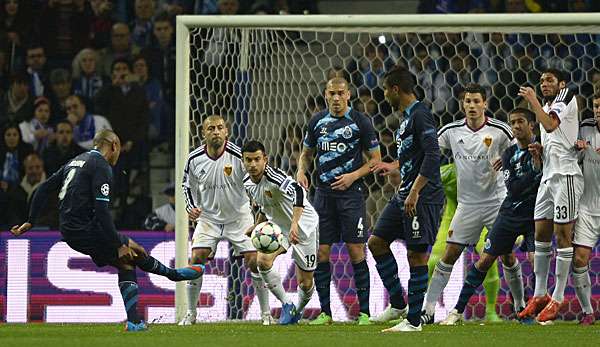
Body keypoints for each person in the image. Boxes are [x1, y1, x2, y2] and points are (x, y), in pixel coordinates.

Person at [10, 129, 203, 331]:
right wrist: (118, 244)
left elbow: (43, 188)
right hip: (85, 228)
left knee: (128, 260)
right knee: (130, 252)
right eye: (118, 150)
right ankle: (172, 276)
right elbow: (102, 212)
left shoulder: (76, 160)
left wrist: (31, 220)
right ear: (114, 146)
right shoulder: (101, 166)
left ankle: (136, 320)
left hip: (70, 228)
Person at [421, 83, 513, 325]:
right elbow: (429, 154)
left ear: (485, 103)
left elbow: (521, 151)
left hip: (496, 203)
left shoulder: (501, 130)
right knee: (449, 254)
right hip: (467, 205)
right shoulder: (451, 131)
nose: (472, 106)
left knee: (506, 256)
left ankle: (522, 308)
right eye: (468, 102)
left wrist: (507, 158)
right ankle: (428, 309)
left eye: (476, 101)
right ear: (463, 104)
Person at [440, 108, 541, 325]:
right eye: (512, 122)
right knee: (485, 259)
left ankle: (530, 311)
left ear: (531, 125)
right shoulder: (508, 155)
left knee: (536, 262)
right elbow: (513, 188)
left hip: (535, 215)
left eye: (520, 121)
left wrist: (539, 165)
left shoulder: (543, 149)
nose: (516, 126)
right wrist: (535, 171)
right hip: (509, 214)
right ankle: (457, 311)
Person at [364, 66, 443, 332]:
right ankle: (398, 303)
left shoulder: (421, 115)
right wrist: (394, 165)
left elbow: (433, 156)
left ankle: (414, 322)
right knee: (376, 242)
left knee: (416, 256)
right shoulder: (407, 118)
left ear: (395, 89)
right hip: (405, 194)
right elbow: (415, 155)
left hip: (421, 196)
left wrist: (415, 191)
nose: (384, 95)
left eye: (386, 89)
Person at [297, 77, 381, 325]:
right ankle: (325, 313)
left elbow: (375, 159)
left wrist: (353, 176)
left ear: (348, 95)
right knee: (322, 252)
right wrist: (302, 171)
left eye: (340, 93)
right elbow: (306, 154)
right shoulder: (317, 122)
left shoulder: (360, 122)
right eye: (331, 93)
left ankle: (364, 313)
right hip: (323, 197)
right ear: (325, 94)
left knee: (356, 250)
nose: (335, 98)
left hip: (351, 196)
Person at [179, 115, 271, 326]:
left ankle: (266, 314)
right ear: (204, 133)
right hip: (209, 218)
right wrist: (190, 207)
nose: (216, 131)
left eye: (220, 127)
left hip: (239, 217)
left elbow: (254, 182)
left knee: (254, 261)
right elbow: (187, 185)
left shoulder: (239, 156)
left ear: (227, 131)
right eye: (211, 128)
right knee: (196, 258)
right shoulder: (194, 159)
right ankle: (191, 314)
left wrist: (259, 208)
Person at [517, 68, 583, 323]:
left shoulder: (567, 95)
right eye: (541, 80)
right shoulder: (545, 106)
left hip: (566, 176)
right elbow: (553, 136)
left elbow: (550, 124)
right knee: (540, 233)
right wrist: (539, 151)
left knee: (562, 235)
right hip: (547, 176)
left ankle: (557, 297)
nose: (544, 84)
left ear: (561, 83)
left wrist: (532, 100)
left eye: (549, 80)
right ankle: (540, 293)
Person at [241, 140, 318, 325]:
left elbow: (299, 192)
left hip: (304, 226)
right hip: (278, 228)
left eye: (257, 159)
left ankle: (297, 311)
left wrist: (294, 224)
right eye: (248, 160)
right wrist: (256, 225)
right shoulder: (247, 182)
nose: (253, 164)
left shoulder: (274, 177)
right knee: (262, 261)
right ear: (243, 161)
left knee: (305, 283)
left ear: (265, 159)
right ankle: (287, 304)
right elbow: (263, 205)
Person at [570, 93, 600, 325]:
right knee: (579, 259)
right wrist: (577, 148)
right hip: (588, 208)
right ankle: (588, 311)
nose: (598, 110)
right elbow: (570, 153)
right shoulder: (585, 128)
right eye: (596, 106)